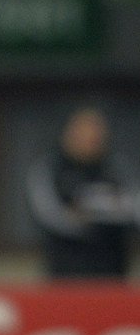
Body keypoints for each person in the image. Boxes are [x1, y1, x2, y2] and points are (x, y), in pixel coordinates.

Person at [26, 106, 140, 279]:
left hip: (113, 270)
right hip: (66, 270)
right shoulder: (51, 168)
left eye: (96, 132)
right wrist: (81, 220)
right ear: (69, 133)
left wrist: (99, 215)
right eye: (84, 132)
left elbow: (134, 208)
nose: (91, 138)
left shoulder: (117, 169)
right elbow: (47, 213)